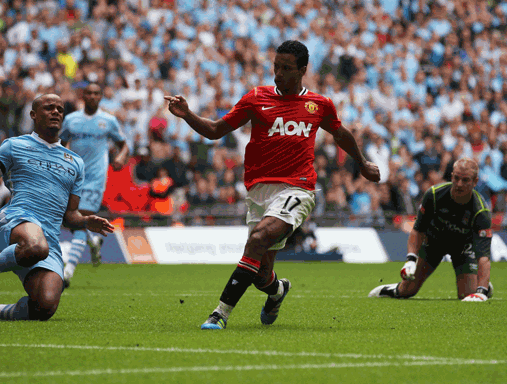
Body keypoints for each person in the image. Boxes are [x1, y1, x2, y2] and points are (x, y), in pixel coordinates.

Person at [165, 40, 380, 330]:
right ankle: (278, 291)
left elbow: (341, 134)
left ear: (303, 70)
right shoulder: (256, 98)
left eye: (286, 68)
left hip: (298, 188)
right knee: (260, 272)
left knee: (257, 240)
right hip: (258, 191)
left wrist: (363, 163)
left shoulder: (319, 105)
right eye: (276, 66)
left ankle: (219, 313)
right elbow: (216, 130)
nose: (278, 73)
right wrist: (188, 115)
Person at [0, 94, 114, 321]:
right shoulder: (14, 146)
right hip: (14, 220)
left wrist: (86, 221)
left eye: (60, 108)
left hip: (48, 240)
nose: (56, 112)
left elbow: (70, 215)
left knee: (44, 306)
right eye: (49, 108)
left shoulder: (75, 162)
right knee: (36, 245)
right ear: (33, 115)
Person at [369, 158, 493, 301]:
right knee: (406, 291)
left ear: (475, 182)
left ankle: (484, 285)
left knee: (467, 295)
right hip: (433, 243)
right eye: (457, 178)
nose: (459, 184)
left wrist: (481, 292)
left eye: (465, 180)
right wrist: (410, 260)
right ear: (451, 176)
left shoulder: (481, 211)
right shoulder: (434, 195)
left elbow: (484, 257)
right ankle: (392, 289)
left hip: (463, 248)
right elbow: (418, 230)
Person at [59, 83, 129, 287]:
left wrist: (121, 158)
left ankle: (68, 271)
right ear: (83, 96)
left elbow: (123, 144)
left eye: (96, 93)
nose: (92, 96)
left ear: (100, 97)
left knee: (81, 218)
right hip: (74, 176)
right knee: (72, 220)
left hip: (96, 178)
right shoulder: (71, 120)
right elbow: (60, 145)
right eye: (88, 93)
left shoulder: (108, 121)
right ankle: (94, 240)